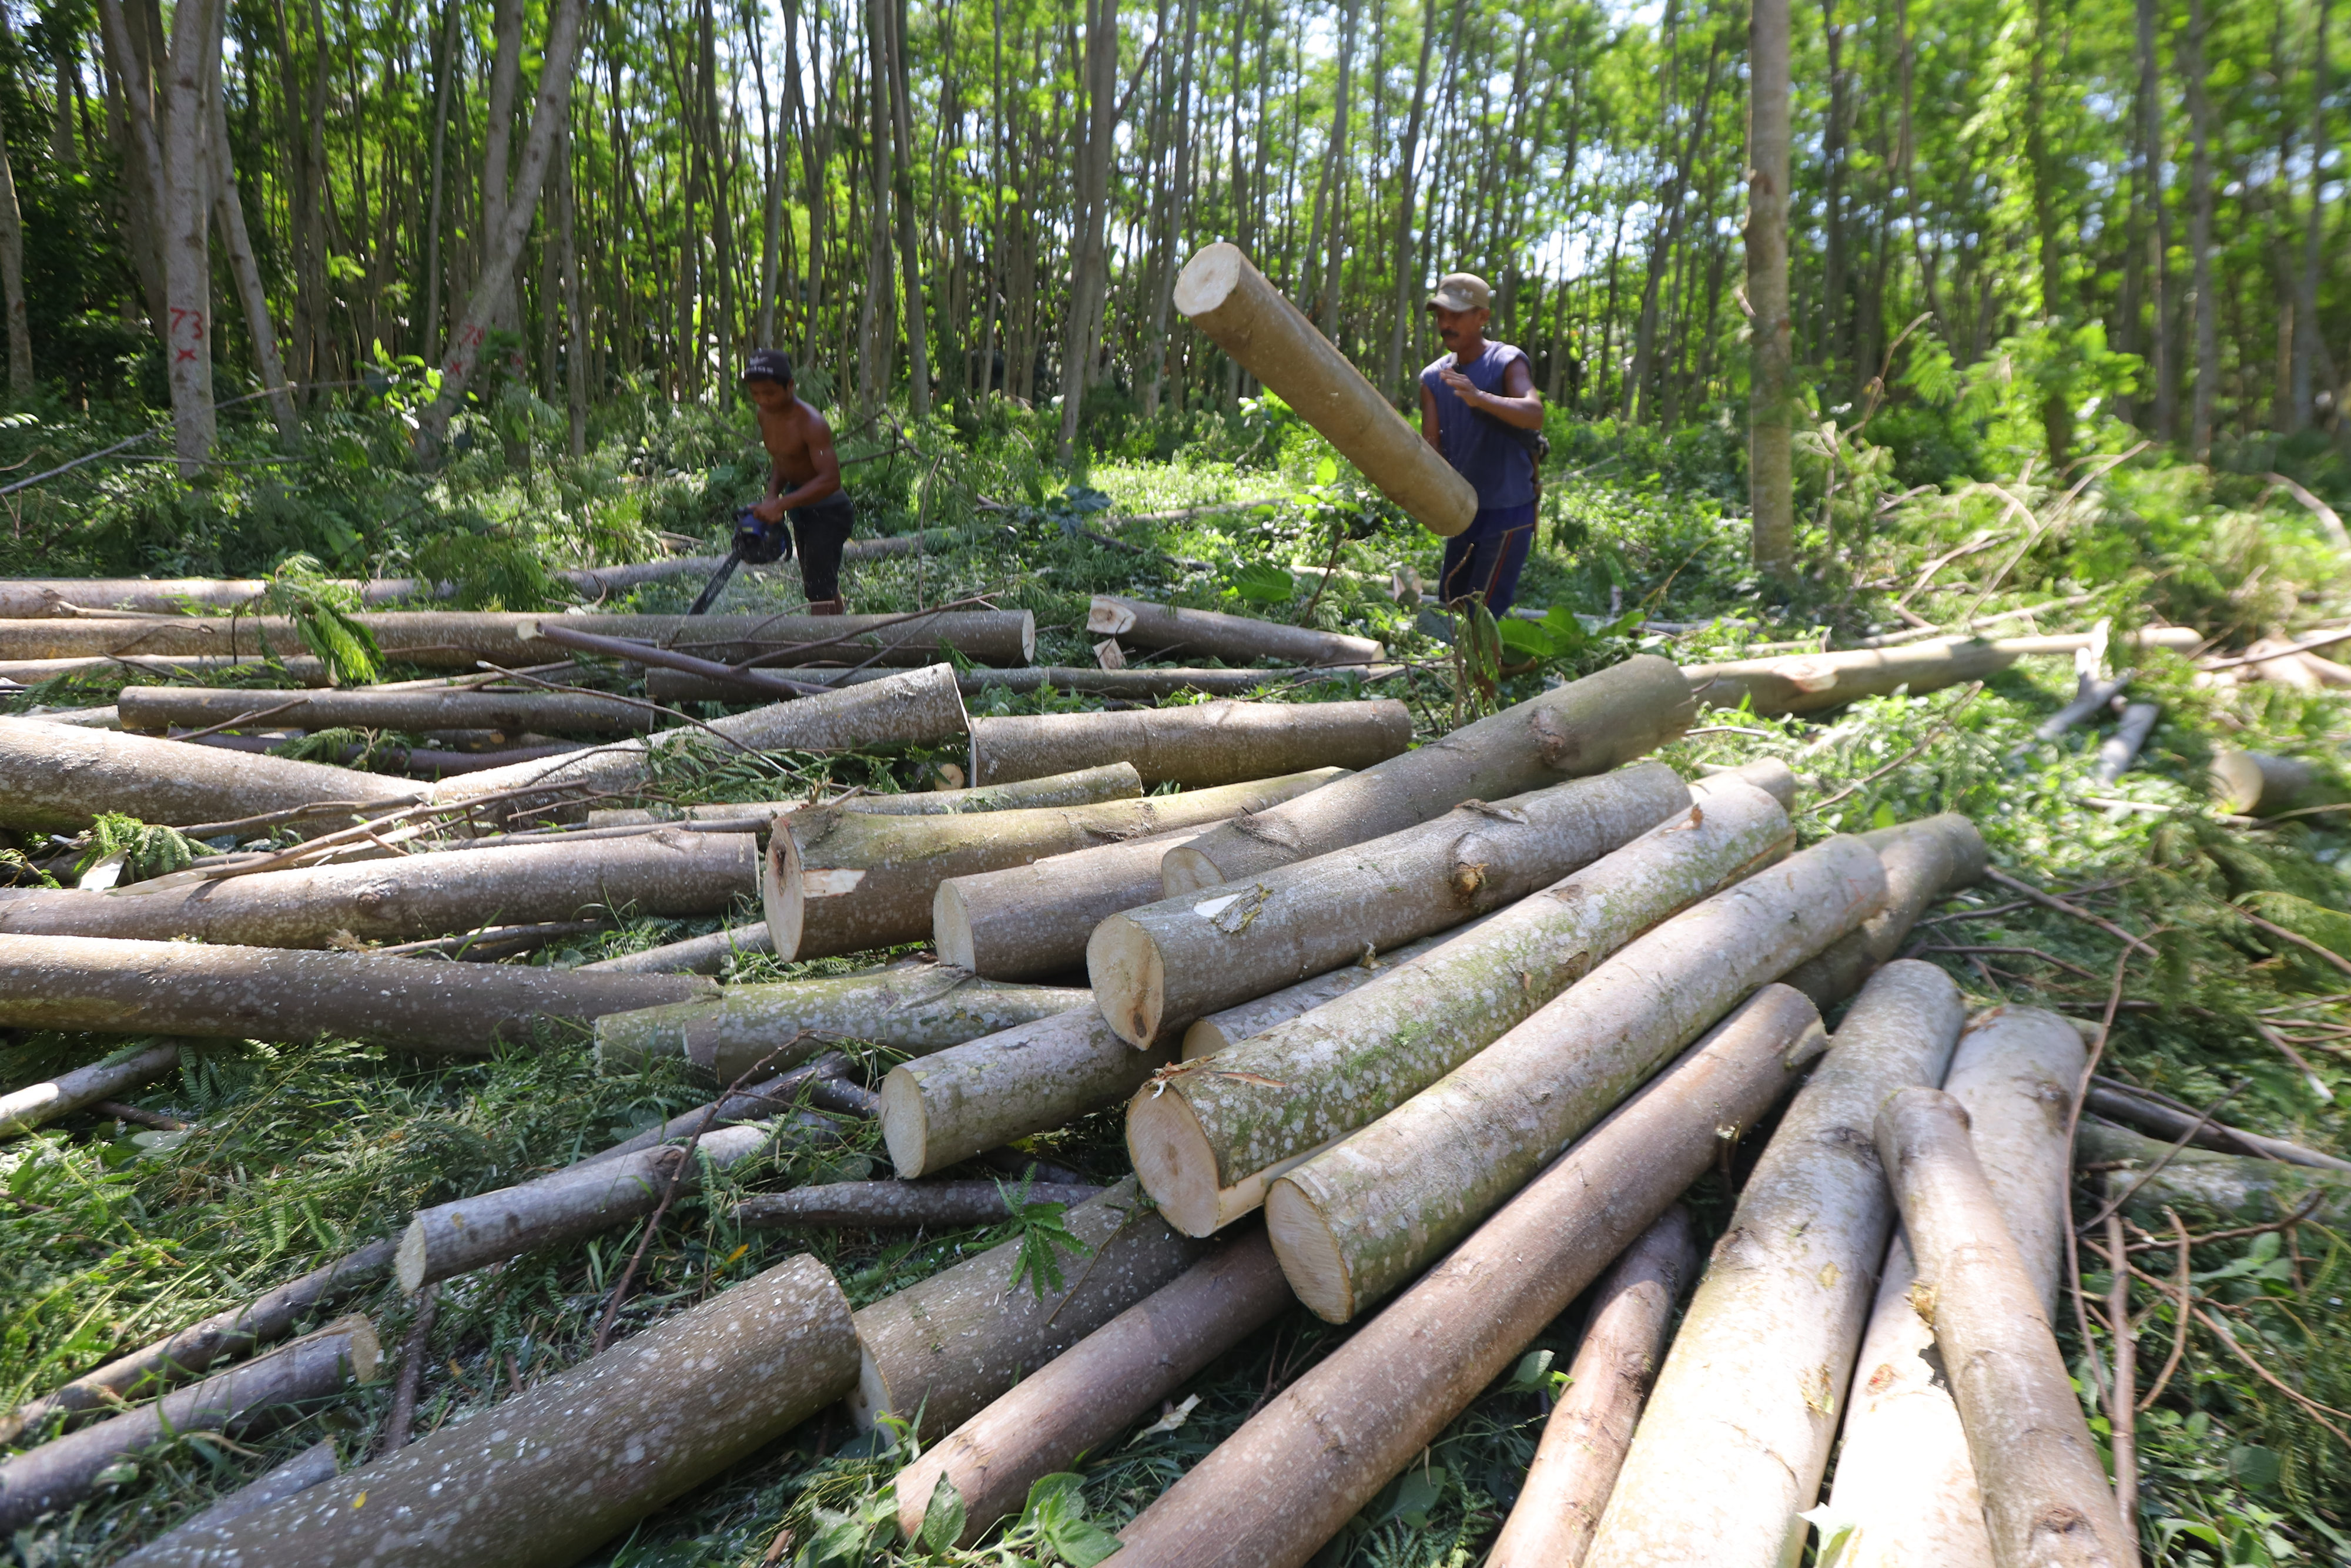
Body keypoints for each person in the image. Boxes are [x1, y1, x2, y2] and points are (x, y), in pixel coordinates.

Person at [1418, 272, 1545, 617]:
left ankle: (1485, 671)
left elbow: (1534, 414)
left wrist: (1480, 397)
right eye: (1441, 315)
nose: (1446, 323)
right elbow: (1433, 451)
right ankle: (1480, 669)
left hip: (1508, 511)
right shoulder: (1433, 378)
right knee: (1454, 608)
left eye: (1456, 315)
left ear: (1483, 317)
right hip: (1462, 512)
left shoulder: (1507, 361)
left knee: (1482, 616)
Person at [741, 349, 854, 615]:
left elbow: (830, 479)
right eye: (756, 394)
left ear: (790, 386)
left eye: (769, 393)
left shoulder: (811, 423)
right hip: (801, 506)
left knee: (818, 590)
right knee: (819, 583)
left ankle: (822, 651)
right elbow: (782, 458)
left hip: (829, 510)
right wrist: (772, 497)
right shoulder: (765, 416)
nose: (762, 400)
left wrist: (781, 504)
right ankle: (842, 639)